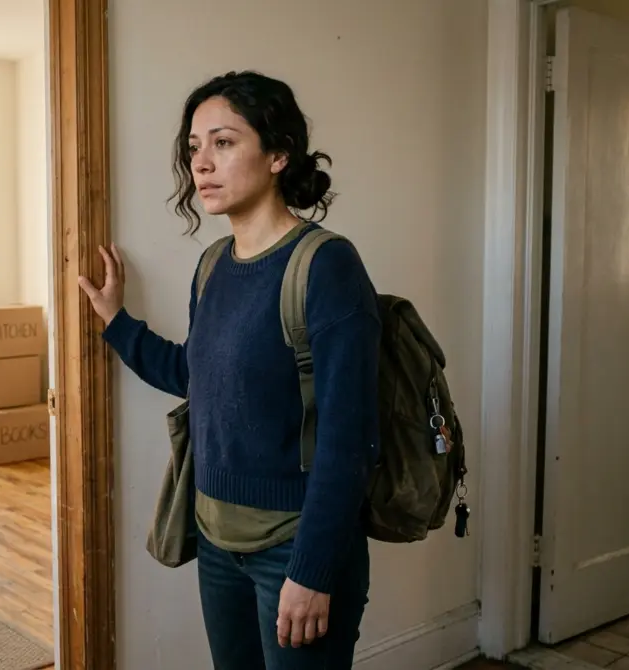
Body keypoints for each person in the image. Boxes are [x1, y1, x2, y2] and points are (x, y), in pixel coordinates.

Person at [78, 70, 380, 669]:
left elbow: (351, 438)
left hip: (294, 551)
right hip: (216, 543)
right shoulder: (213, 265)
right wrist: (118, 322)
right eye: (194, 147)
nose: (202, 164)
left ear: (277, 154)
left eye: (223, 142)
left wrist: (314, 571)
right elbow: (201, 379)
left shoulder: (326, 266)